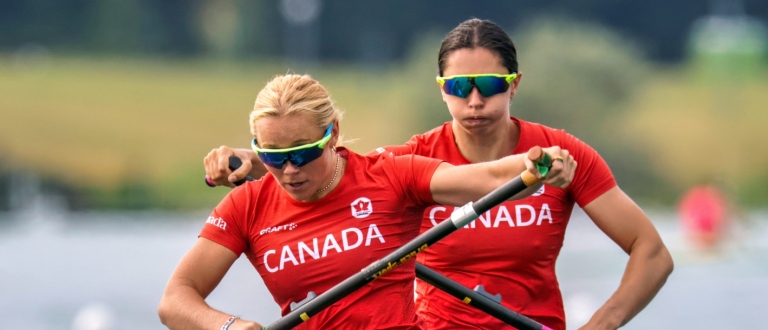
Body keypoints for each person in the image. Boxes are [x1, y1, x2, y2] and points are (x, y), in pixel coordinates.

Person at [203, 19, 674, 330]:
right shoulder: (413, 161)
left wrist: (600, 326)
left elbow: (651, 252)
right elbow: (337, 168)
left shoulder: (562, 155)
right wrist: (261, 156)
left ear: (515, 86)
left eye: (489, 86)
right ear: (441, 92)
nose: (474, 101)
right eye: (458, 87)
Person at [159, 74, 576, 330]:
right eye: (273, 157)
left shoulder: (388, 175)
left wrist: (536, 164)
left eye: (303, 153)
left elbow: (484, 180)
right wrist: (227, 326)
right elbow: (176, 299)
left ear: (333, 133)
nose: (289, 171)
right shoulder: (246, 206)